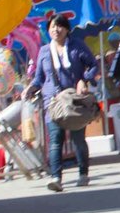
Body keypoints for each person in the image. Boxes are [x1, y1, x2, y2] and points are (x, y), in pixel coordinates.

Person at [26, 11, 99, 191]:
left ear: (67, 29)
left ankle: (83, 173)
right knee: (55, 140)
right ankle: (56, 177)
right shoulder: (44, 51)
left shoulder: (77, 46)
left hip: (74, 100)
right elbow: (39, 78)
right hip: (53, 102)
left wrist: (85, 79)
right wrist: (30, 88)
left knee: (78, 139)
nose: (56, 30)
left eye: (59, 26)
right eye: (52, 27)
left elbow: (93, 64)